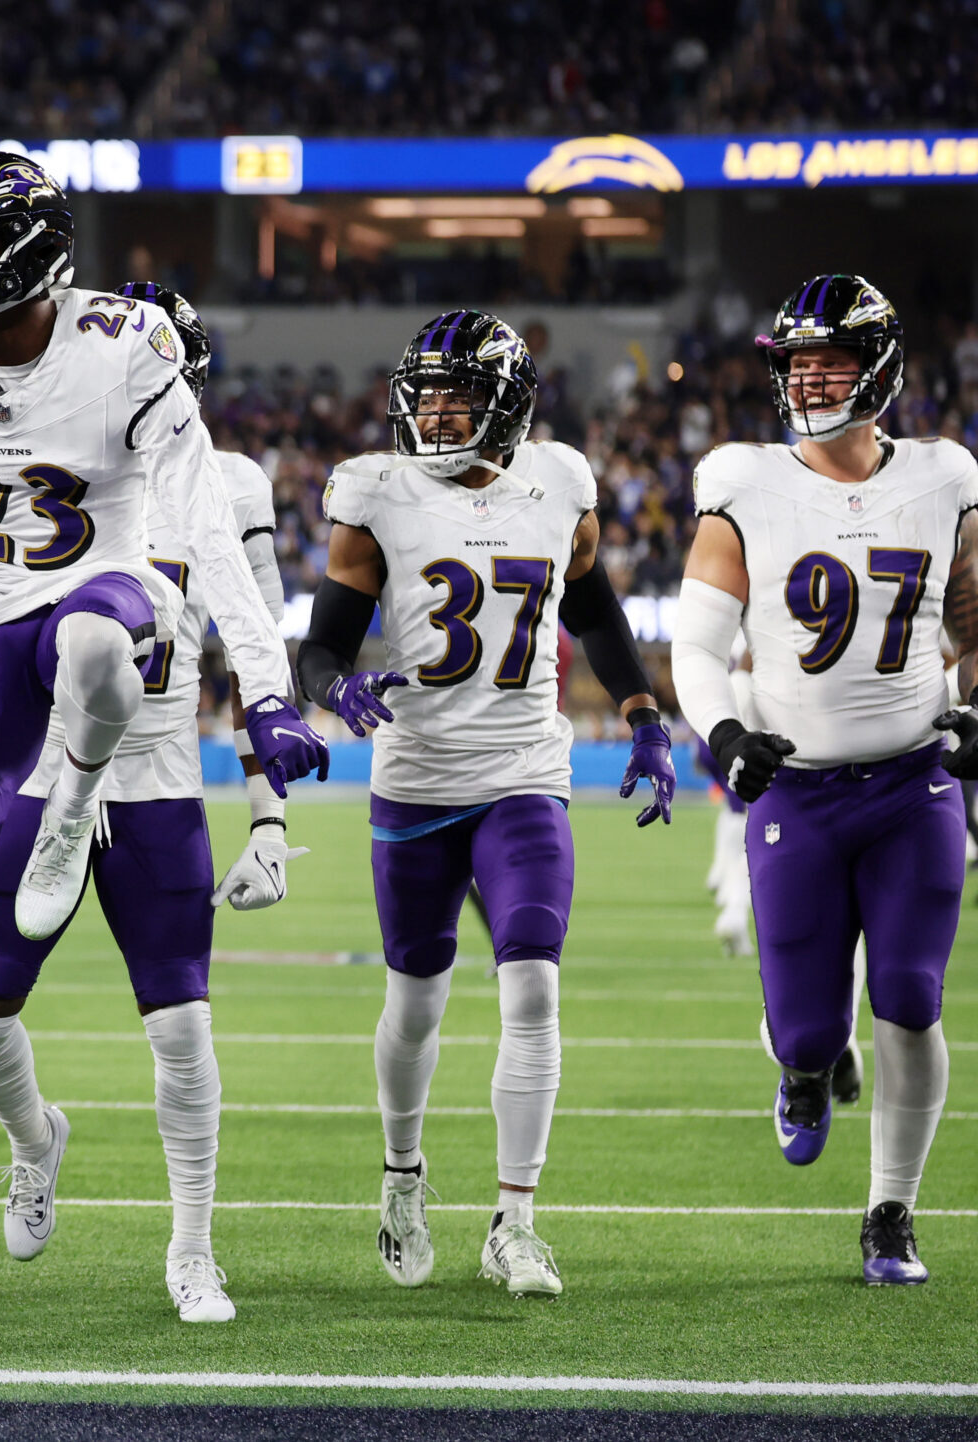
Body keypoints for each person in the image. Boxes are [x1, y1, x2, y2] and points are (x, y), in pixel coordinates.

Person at [0, 156, 328, 1238]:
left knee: (88, 637)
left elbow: (209, 536)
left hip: (109, 605)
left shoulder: (123, 347)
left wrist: (266, 699)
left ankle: (70, 794)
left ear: (31, 245)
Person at [299, 309, 676, 1301]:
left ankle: (514, 1220)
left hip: (522, 775)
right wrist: (332, 684)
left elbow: (588, 602)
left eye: (457, 392)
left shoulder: (558, 482)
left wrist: (641, 710)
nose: (435, 409)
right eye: (424, 392)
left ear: (507, 403)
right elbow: (322, 638)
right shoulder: (373, 491)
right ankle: (401, 1176)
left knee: (533, 988)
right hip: (417, 780)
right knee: (415, 1003)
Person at [0, 285, 297, 1323]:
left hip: (156, 783)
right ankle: (32, 1138)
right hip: (51, 774)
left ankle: (192, 1249)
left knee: (182, 1027)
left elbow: (246, 646)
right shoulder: (41, 450)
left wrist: (269, 819)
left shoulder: (225, 480)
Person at [672, 274, 967, 1286]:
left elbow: (975, 626)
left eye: (829, 360)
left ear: (879, 368)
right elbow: (698, 644)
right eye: (796, 363)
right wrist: (719, 732)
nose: (809, 379)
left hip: (912, 784)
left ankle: (890, 1211)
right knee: (802, 1026)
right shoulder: (745, 480)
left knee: (910, 997)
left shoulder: (942, 476)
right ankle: (804, 1067)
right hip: (795, 789)